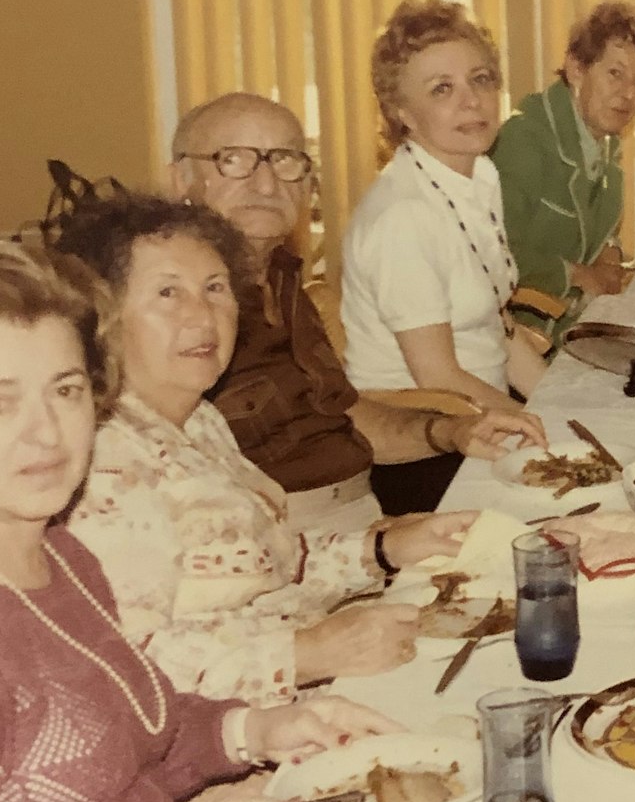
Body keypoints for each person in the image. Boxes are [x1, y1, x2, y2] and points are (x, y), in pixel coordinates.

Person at [0, 238, 400, 802]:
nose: (46, 433)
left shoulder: (63, 555)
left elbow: (139, 728)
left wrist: (252, 732)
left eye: (66, 391)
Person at [55, 194, 478, 704]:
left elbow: (275, 566)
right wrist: (306, 654)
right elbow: (131, 663)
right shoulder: (104, 464)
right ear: (103, 316)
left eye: (215, 288)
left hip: (302, 680)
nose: (203, 315)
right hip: (241, 732)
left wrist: (381, 549)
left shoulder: (201, 420)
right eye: (168, 293)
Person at [170, 92, 544, 524]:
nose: (268, 184)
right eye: (233, 160)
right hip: (280, 537)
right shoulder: (172, 312)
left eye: (285, 160)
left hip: (363, 511)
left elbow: (345, 415)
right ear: (179, 179)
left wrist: (448, 430)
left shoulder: (283, 280)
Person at [342, 0, 547, 410]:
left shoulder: (478, 177)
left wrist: (561, 408)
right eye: (442, 89)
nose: (471, 100)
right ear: (403, 114)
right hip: (426, 439)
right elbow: (437, 378)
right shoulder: (404, 216)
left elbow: (498, 329)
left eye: (481, 79)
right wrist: (546, 427)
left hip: (482, 410)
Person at [490, 2, 635, 340]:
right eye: (615, 73)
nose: (628, 94)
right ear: (576, 70)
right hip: (523, 343)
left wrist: (610, 252)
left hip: (572, 330)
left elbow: (594, 229)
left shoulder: (604, 145)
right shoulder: (523, 140)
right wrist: (575, 274)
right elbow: (493, 255)